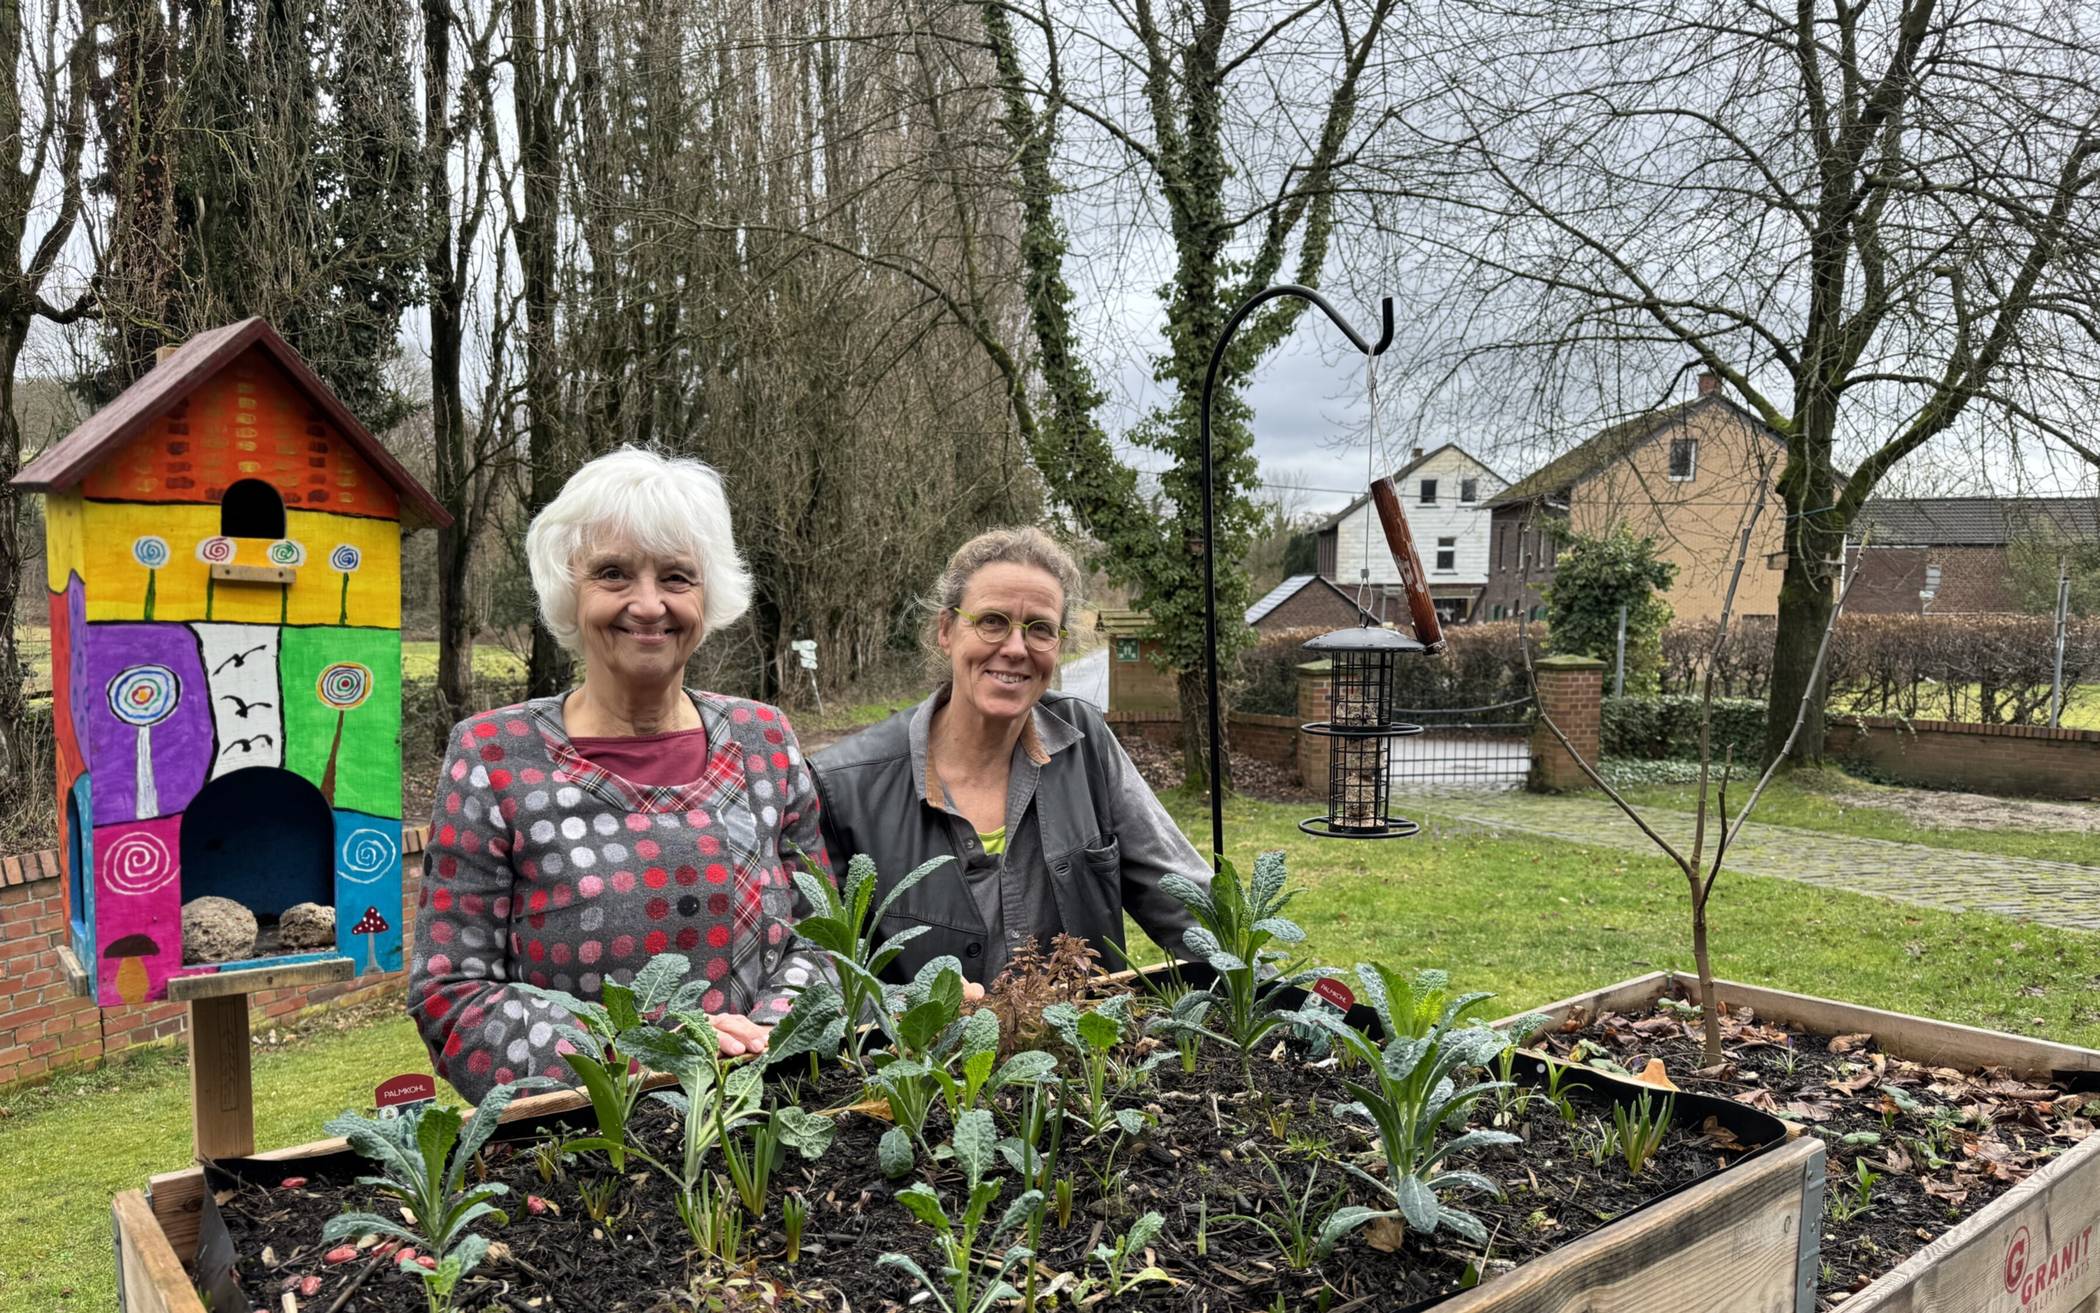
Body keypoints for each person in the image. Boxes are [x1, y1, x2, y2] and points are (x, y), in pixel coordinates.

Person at [408, 448, 828, 1101]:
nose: (649, 603)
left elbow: (824, 941)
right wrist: (637, 1058)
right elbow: (451, 993)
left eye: (677, 576)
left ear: (709, 592)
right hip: (585, 1156)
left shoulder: (765, 740)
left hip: (765, 1121)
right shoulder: (493, 754)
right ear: (568, 589)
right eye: (613, 573)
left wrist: (765, 1040)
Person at [813, 528, 1208, 988]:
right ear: (946, 630)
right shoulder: (842, 788)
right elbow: (816, 970)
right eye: (992, 621)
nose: (1016, 648)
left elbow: (1187, 900)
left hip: (1087, 1055)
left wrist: (1273, 1000)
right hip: (928, 1057)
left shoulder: (1084, 744)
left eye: (1040, 628)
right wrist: (906, 1004)